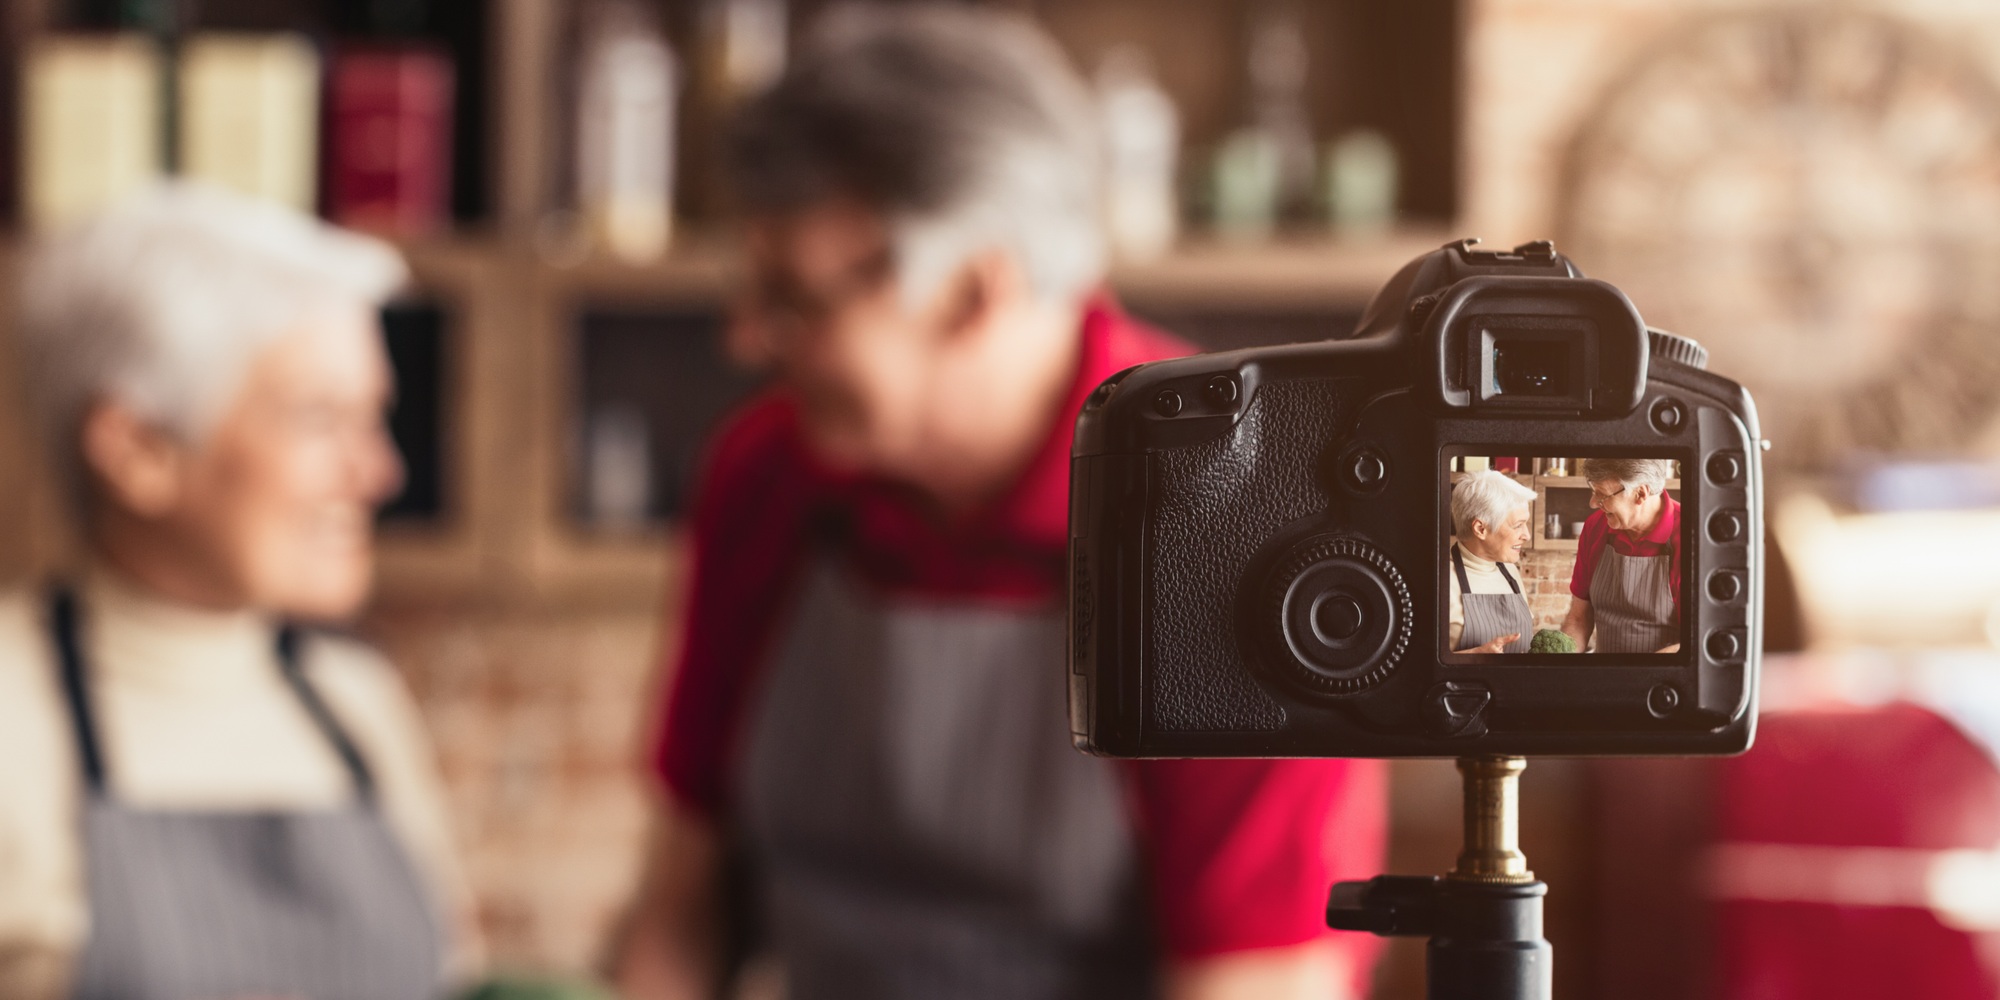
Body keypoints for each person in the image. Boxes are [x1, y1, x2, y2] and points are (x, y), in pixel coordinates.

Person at [612, 7, 1386, 1000]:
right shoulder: (767, 473)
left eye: (791, 298)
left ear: (973, 292)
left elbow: (1260, 978)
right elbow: (683, 897)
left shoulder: (1237, 521)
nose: (747, 338)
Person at [0, 183, 481, 999]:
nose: (377, 472)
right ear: (136, 449)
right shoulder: (14, 710)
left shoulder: (354, 705)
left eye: (374, 420)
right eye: (319, 420)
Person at [1558, 458, 1683, 653]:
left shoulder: (1690, 535)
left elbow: (1698, 641)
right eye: (1594, 492)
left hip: (1660, 677)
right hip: (1606, 675)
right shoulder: (1595, 526)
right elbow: (1579, 618)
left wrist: (1637, 678)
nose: (1592, 503)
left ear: (1640, 493)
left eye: (1602, 495)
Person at [1446, 470, 1538, 654]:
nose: (1527, 535)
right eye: (1518, 525)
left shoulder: (1510, 572)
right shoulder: (1442, 580)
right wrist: (1474, 655)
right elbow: (1419, 666)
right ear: (1480, 528)